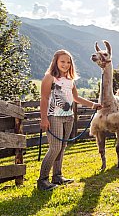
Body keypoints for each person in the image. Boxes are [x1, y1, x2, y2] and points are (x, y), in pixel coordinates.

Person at [38, 49, 102, 191]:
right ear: (56, 62)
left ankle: (57, 176)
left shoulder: (70, 80)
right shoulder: (49, 77)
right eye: (62, 61)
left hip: (68, 117)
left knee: (62, 147)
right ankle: (42, 180)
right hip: (54, 116)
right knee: (54, 148)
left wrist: (93, 105)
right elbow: (44, 98)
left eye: (68, 62)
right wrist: (43, 118)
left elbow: (76, 98)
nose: (65, 64)